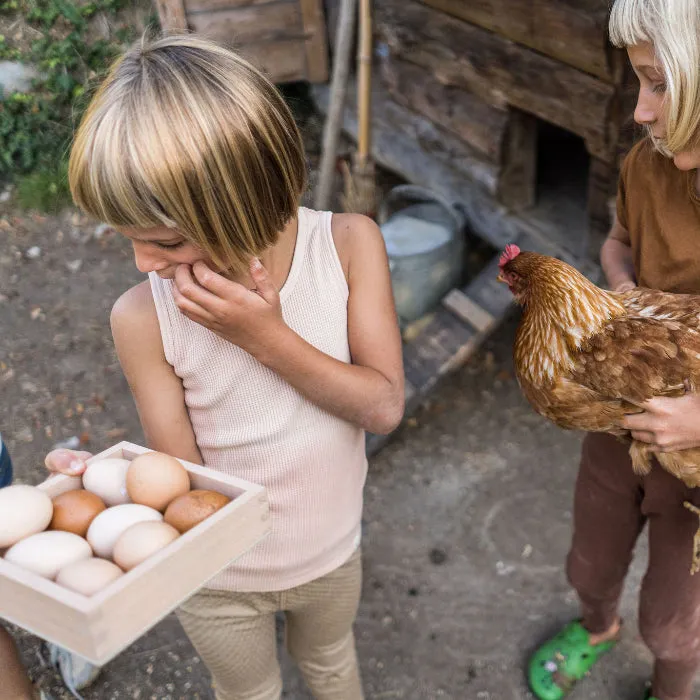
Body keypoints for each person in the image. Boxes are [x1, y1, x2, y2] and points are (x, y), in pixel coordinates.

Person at [46, 33, 404, 700]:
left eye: (166, 241)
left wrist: (263, 337)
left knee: (330, 662)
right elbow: (178, 479)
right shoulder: (142, 318)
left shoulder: (350, 246)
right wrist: (101, 490)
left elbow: (381, 406)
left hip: (329, 554)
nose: (142, 265)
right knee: (246, 692)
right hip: (217, 580)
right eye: (127, 239)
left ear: (242, 199)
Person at [527, 1, 700, 699]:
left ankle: (673, 682)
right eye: (639, 84)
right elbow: (617, 243)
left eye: (659, 84)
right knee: (591, 559)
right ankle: (597, 625)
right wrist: (621, 292)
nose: (640, 112)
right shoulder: (647, 164)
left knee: (677, 616)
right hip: (618, 421)